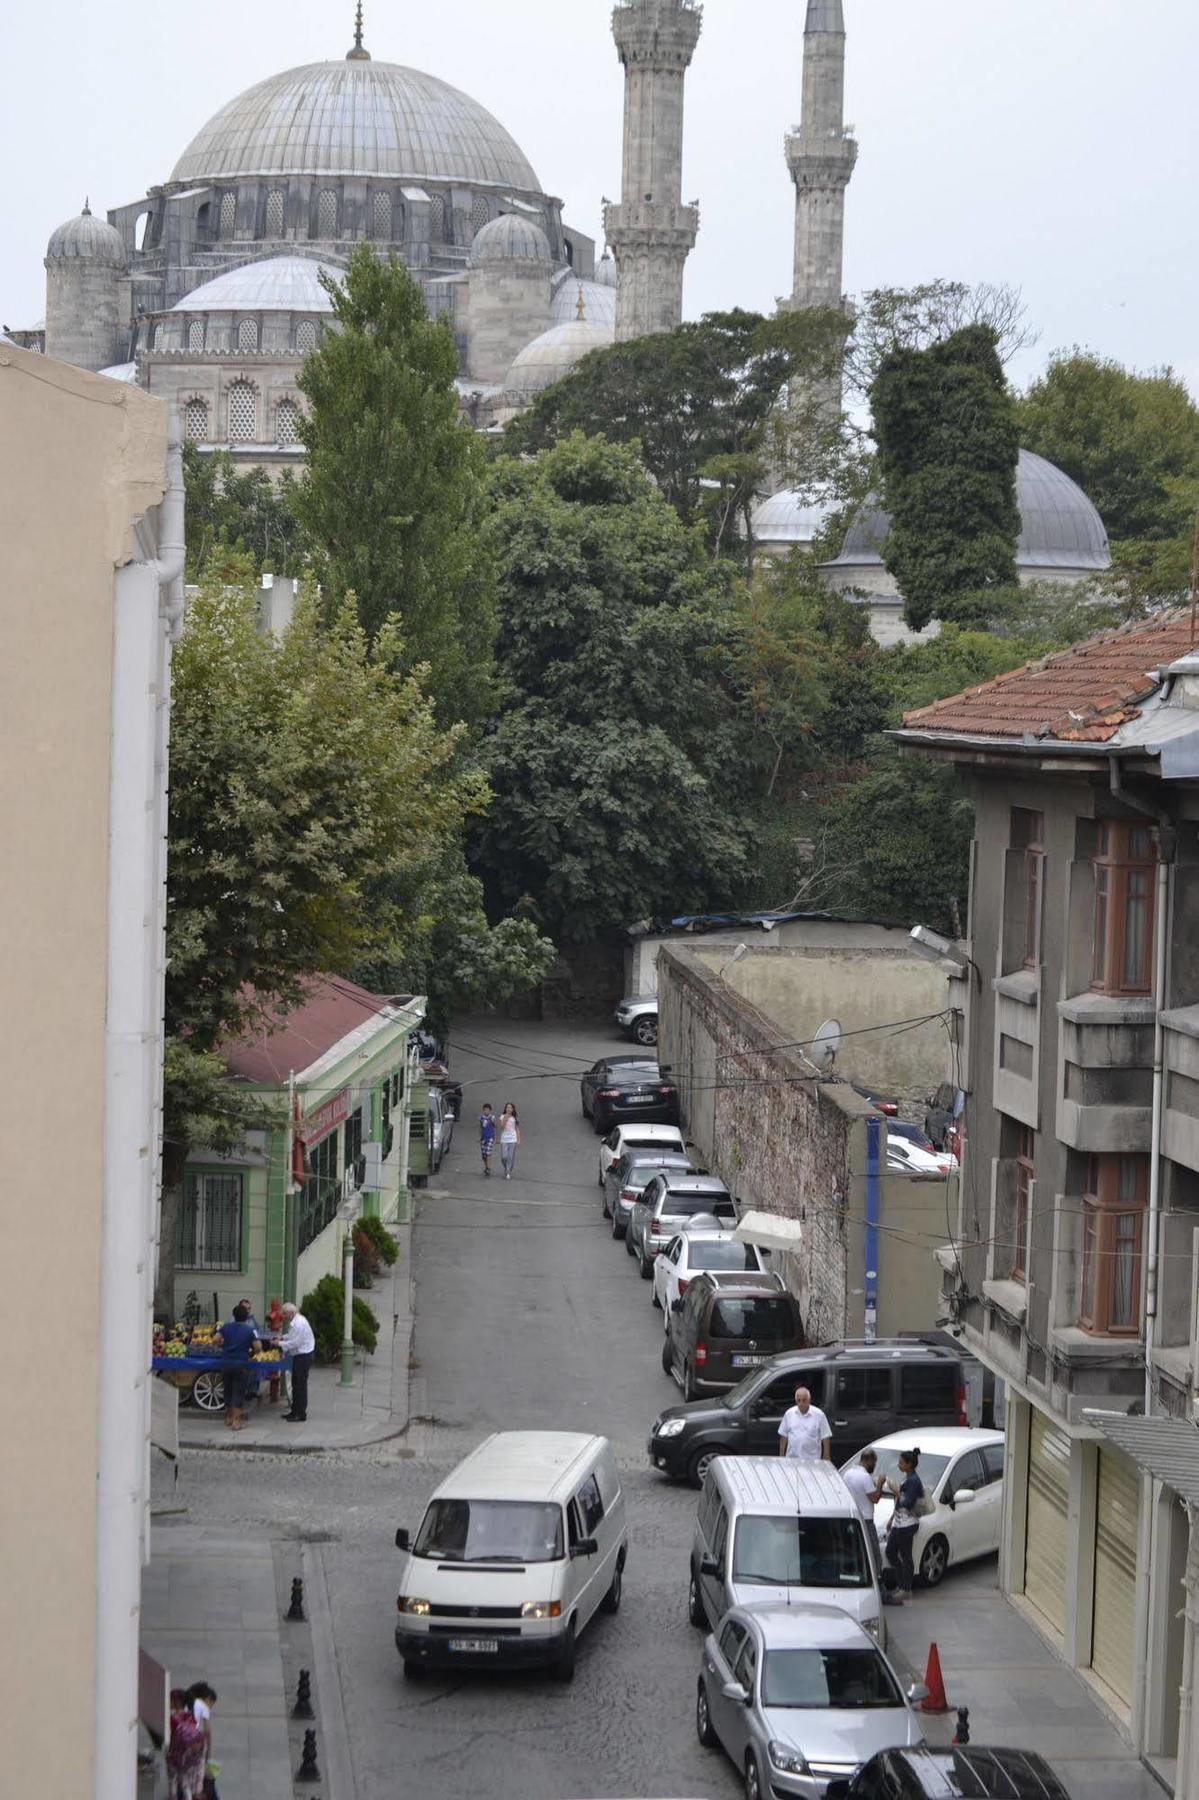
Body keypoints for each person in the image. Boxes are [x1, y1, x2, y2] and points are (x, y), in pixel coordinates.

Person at [882, 1448, 925, 1597]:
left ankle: (906, 1588)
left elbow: (907, 1502)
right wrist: (891, 1519)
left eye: (901, 1463)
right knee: (890, 1551)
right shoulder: (907, 1478)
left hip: (908, 1523)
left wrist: (895, 1491)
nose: (899, 1465)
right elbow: (899, 1504)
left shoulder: (914, 1481)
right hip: (899, 1521)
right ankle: (901, 1583)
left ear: (909, 1464)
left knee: (906, 1555)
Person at [213, 1304, 259, 1431]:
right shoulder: (250, 1330)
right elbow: (258, 1347)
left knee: (228, 1390)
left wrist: (223, 1346)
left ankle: (228, 1418)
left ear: (234, 1316)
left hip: (226, 1362)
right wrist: (252, 1353)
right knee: (238, 1392)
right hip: (241, 1364)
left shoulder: (225, 1327)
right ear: (246, 1317)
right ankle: (236, 1422)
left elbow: (215, 1339)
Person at [276, 1301, 316, 1423]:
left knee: (300, 1385)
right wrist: (283, 1337)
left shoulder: (298, 1324)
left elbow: (295, 1343)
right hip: (301, 1354)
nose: (283, 1316)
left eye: (284, 1313)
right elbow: (292, 1336)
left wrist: (279, 1343)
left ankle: (300, 1413)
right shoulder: (296, 1321)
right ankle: (295, 1411)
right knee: (295, 1384)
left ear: (291, 1313)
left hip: (303, 1355)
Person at [166, 1688, 206, 1800]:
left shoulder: (172, 1717)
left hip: (174, 1753)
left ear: (177, 1701)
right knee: (186, 1783)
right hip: (189, 1755)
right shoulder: (190, 1716)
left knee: (173, 1780)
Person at [778, 1386, 833, 1461]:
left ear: (809, 1400)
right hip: (792, 1459)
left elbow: (825, 1436)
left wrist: (826, 1455)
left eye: (804, 1400)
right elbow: (783, 1436)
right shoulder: (789, 1414)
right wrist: (781, 1456)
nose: (801, 1403)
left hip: (812, 1460)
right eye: (799, 1400)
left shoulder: (819, 1415)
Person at [183, 1684, 218, 1799]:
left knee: (186, 1774)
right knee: (202, 1774)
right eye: (211, 1704)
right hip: (196, 1743)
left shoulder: (188, 1704)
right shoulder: (202, 1705)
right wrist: (208, 1752)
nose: (210, 1707)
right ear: (207, 1698)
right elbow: (207, 1730)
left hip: (184, 1741)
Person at [843, 1448, 884, 1525]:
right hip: (866, 1518)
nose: (874, 1465)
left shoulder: (847, 1474)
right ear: (869, 1460)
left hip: (852, 1516)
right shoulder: (865, 1477)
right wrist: (880, 1483)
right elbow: (875, 1499)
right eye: (874, 1462)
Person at [498, 1102, 521, 1180]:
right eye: (507, 1107)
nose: (508, 1109)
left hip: (512, 1139)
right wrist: (505, 1118)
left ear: (513, 1109)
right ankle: (506, 1167)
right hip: (504, 1139)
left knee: (510, 1157)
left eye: (510, 1108)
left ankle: (508, 1172)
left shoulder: (515, 1118)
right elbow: (502, 1127)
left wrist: (518, 1139)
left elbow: (517, 1129)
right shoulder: (502, 1116)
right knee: (504, 1157)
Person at [479, 1102, 496, 1178]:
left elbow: (496, 1125)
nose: (486, 1111)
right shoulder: (481, 1118)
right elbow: (480, 1127)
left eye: (488, 1110)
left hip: (490, 1137)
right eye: (485, 1110)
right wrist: (479, 1136)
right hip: (483, 1138)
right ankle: (486, 1166)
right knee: (484, 1154)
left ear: (490, 1110)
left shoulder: (492, 1118)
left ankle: (488, 1168)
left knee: (488, 1152)